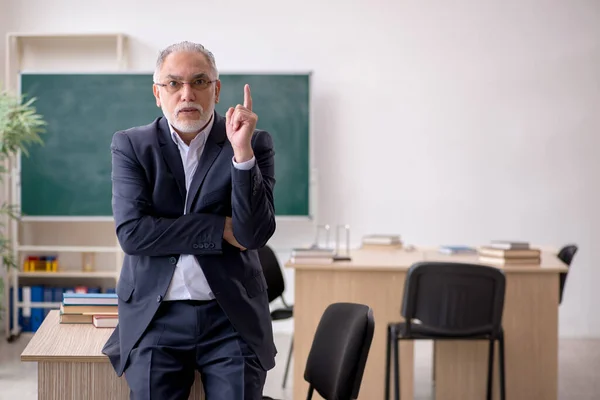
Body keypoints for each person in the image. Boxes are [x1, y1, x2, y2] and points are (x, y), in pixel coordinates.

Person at [102, 41, 277, 400]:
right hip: (156, 317)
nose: (187, 94)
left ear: (216, 89)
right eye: (173, 83)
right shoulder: (132, 146)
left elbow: (253, 234)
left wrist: (241, 155)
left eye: (199, 82)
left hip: (231, 318)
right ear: (157, 93)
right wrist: (217, 229)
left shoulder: (253, 143)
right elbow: (134, 235)